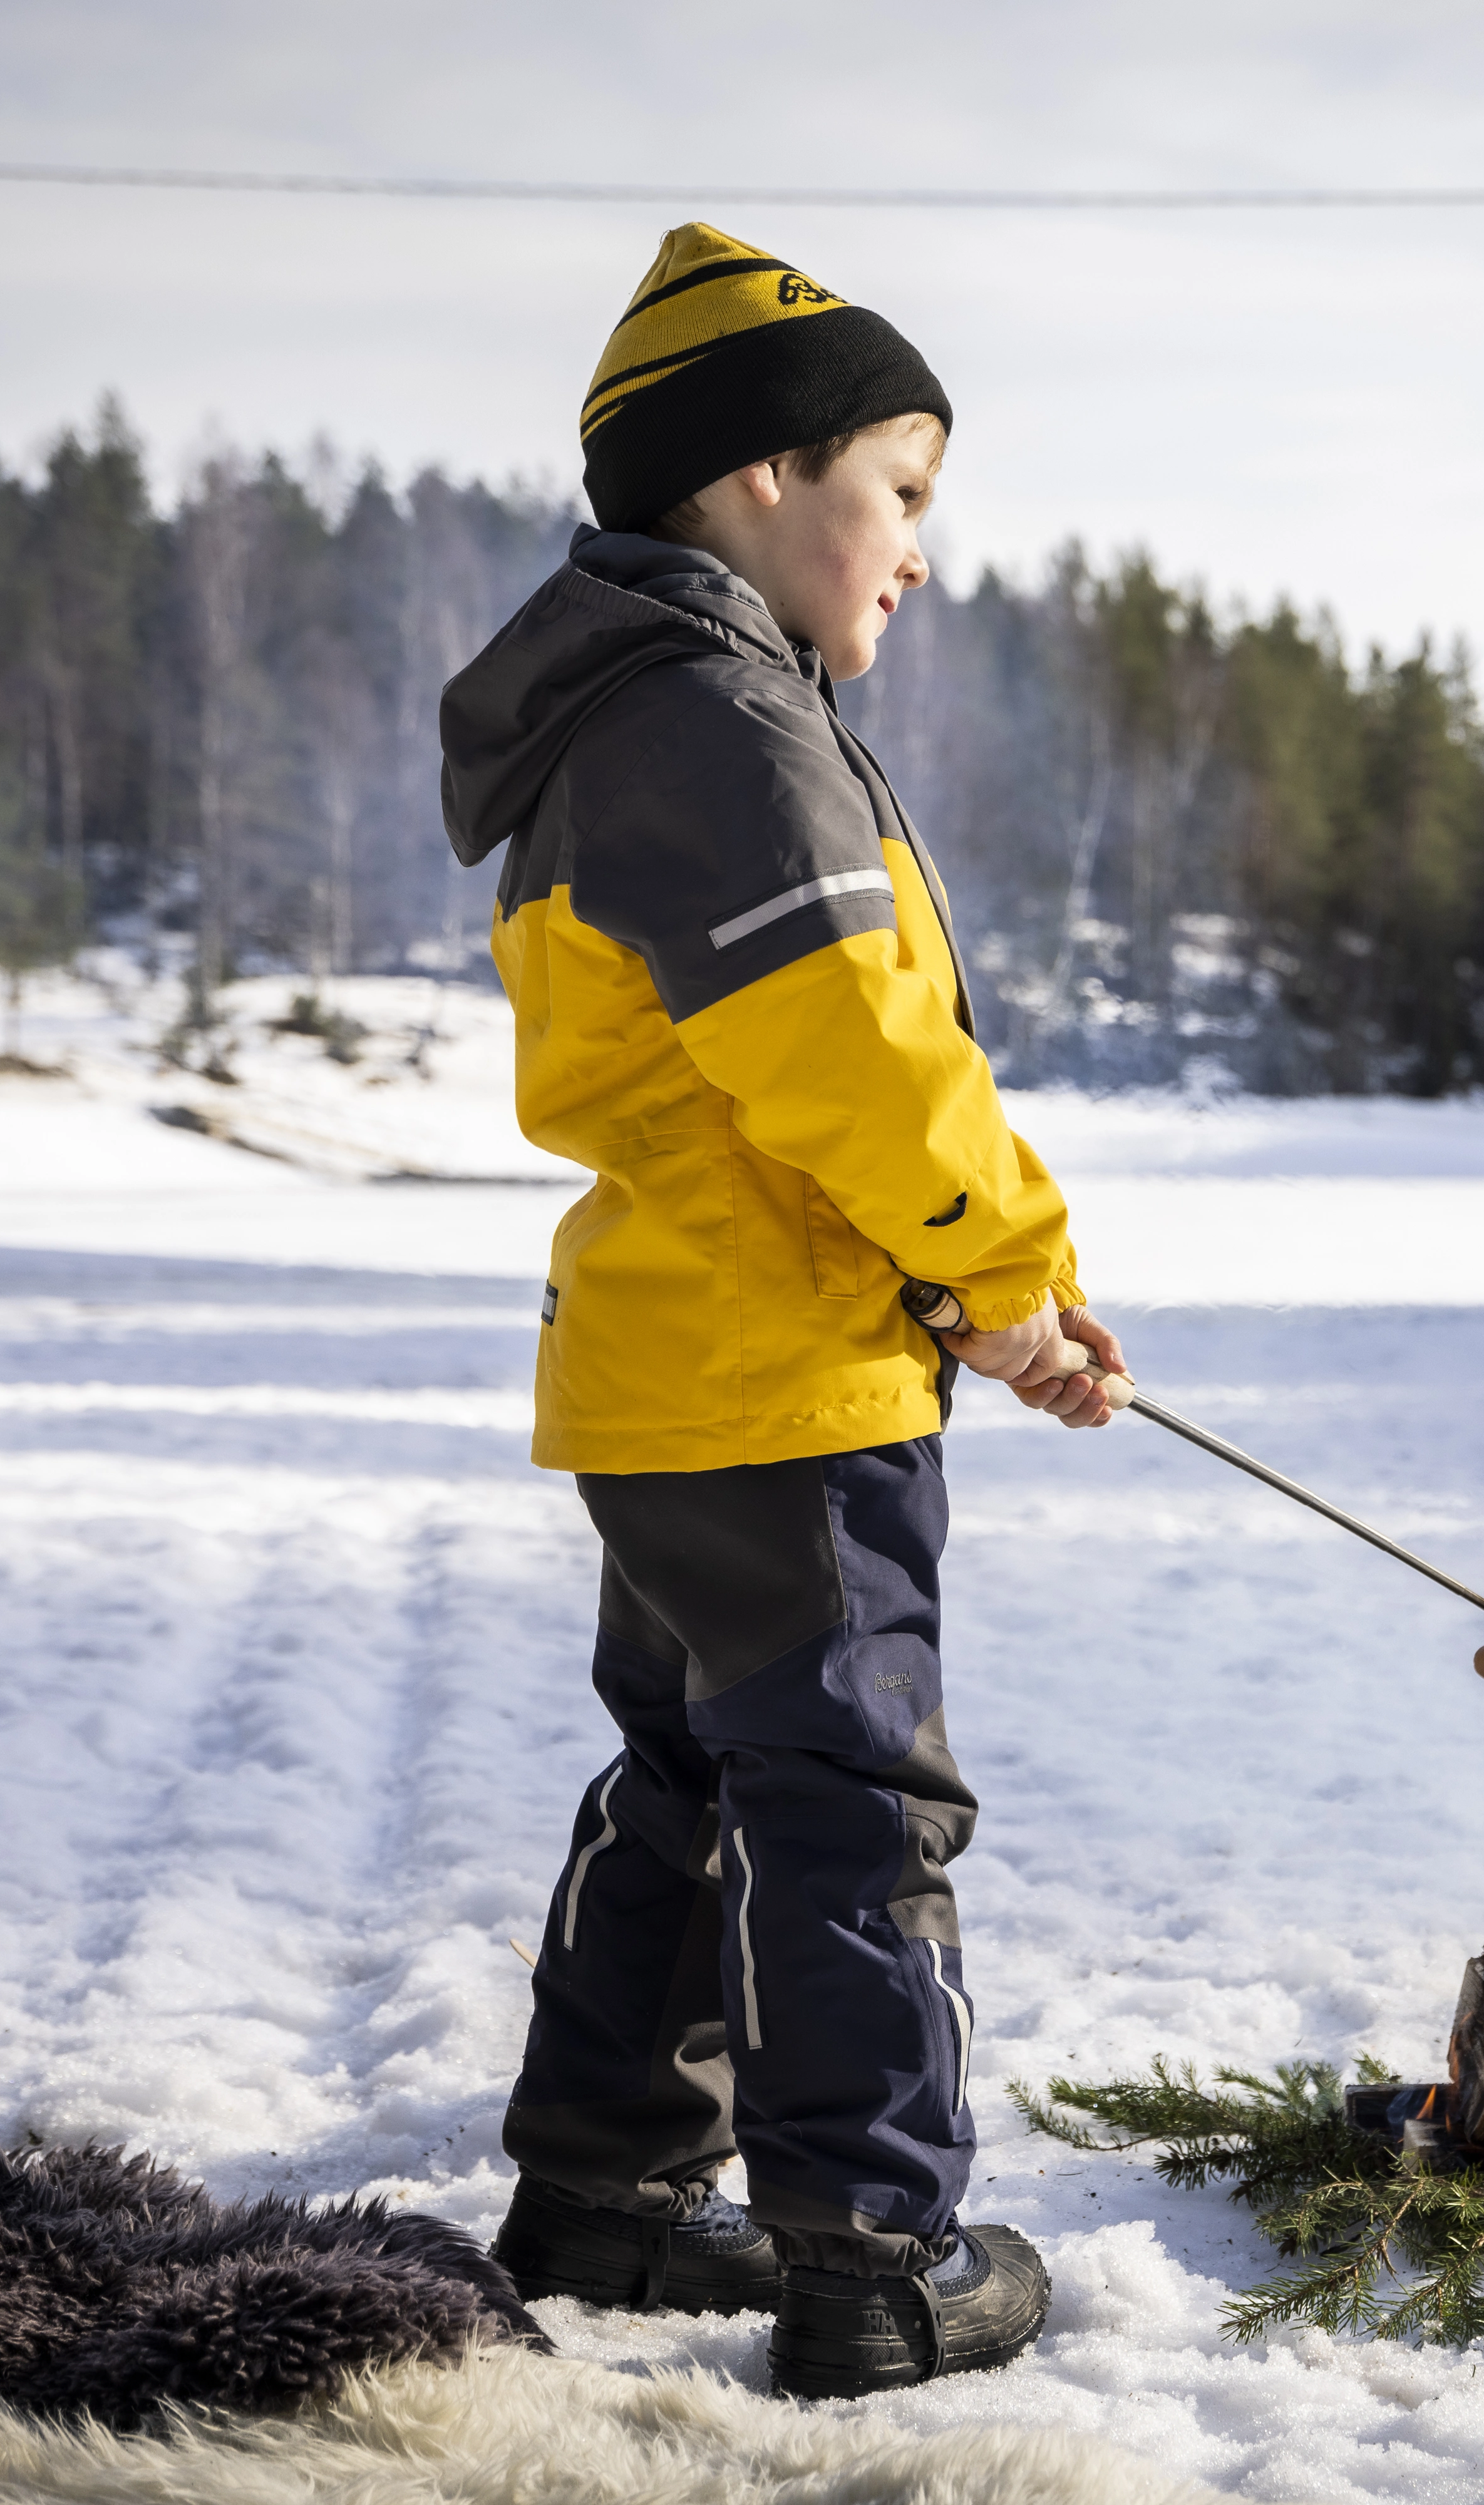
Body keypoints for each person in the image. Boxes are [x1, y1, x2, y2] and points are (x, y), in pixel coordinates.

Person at [438, 222, 1124, 2402]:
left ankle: (608, 2197)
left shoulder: (646, 713)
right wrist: (1006, 1278)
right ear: (757, 475)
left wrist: (998, 1284)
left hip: (673, 1368)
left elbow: (777, 1084)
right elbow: (855, 1063)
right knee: (846, 1799)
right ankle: (878, 2258)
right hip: (781, 1377)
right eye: (898, 488)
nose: (920, 546)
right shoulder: (723, 723)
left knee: (703, 1775)